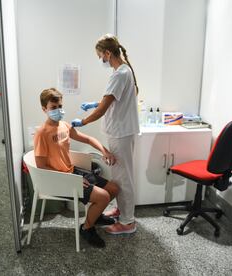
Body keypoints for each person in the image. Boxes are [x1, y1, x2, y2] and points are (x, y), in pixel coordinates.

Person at [34, 88, 119, 248]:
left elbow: (87, 139)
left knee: (114, 189)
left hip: (71, 172)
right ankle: (86, 228)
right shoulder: (42, 133)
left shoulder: (64, 125)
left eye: (60, 106)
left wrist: (104, 151)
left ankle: (95, 216)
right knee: (103, 197)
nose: (58, 110)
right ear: (44, 109)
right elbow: (41, 167)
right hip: (59, 180)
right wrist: (72, 180)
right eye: (53, 108)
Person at [71, 34, 139, 235]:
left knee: (123, 178)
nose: (101, 60)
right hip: (122, 131)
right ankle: (122, 210)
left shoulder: (119, 74)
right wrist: (95, 103)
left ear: (108, 53)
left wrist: (82, 122)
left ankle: (128, 222)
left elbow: (102, 110)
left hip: (121, 132)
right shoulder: (125, 70)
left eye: (101, 56)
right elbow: (113, 100)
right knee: (119, 176)